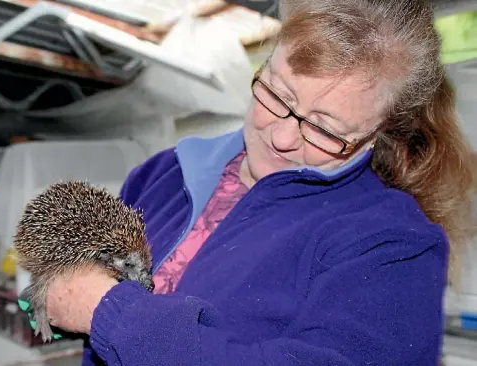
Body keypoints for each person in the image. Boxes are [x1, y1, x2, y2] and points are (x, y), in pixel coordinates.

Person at [27, 0, 477, 364]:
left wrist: (112, 314)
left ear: (379, 131)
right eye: (277, 94)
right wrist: (61, 297)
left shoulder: (393, 244)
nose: (280, 136)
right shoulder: (163, 174)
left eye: (325, 129)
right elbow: (79, 295)